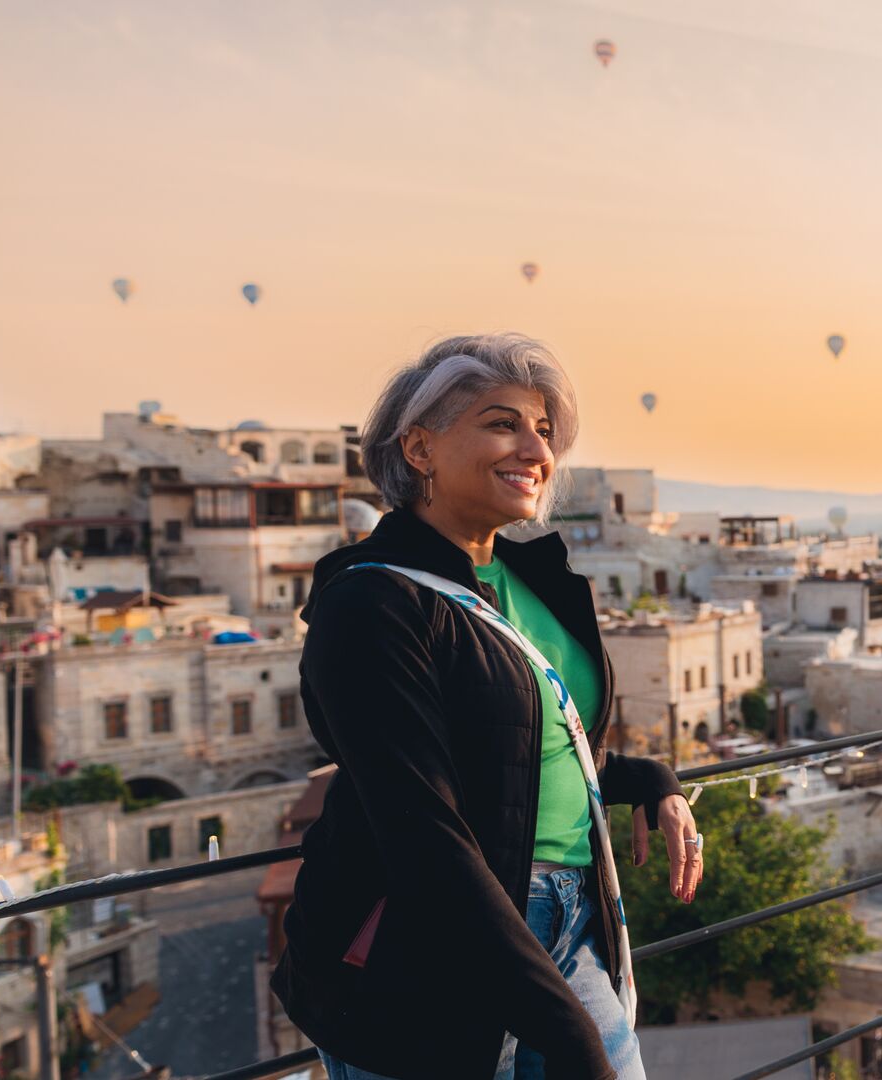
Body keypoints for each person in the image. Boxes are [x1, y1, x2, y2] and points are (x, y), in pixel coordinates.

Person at [272, 333, 705, 1080]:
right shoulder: (372, 602)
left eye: (544, 430)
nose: (536, 449)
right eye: (503, 424)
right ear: (420, 448)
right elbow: (422, 829)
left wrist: (646, 779)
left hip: (571, 915)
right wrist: (570, 1037)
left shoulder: (534, 584)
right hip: (428, 950)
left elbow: (520, 747)